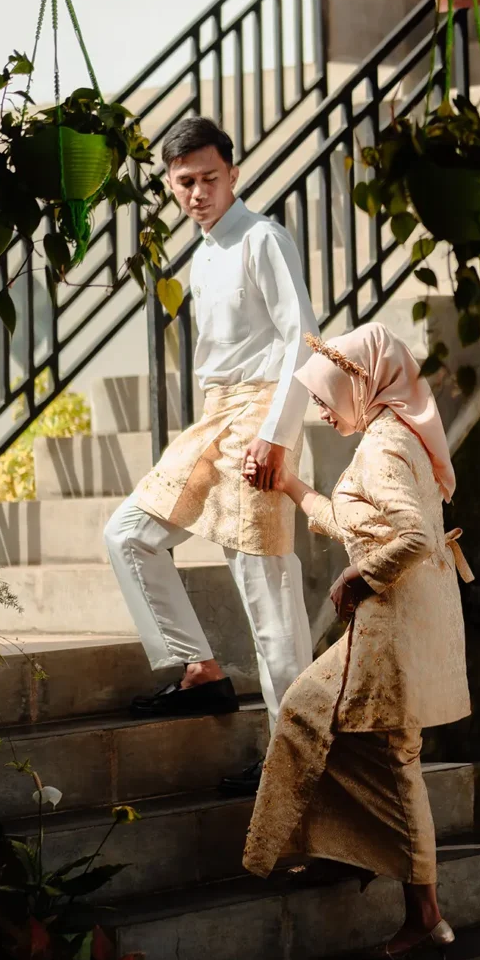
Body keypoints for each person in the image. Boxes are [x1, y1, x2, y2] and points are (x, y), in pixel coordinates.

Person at [242, 322, 474, 959]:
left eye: (326, 397)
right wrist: (292, 485)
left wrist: (357, 575)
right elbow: (359, 522)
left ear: (362, 384)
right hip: (400, 620)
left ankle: (425, 912)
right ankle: (351, 852)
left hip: (389, 626)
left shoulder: (383, 447)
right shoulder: (396, 432)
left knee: (384, 750)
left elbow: (414, 537)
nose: (321, 410)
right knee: (319, 719)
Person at [103, 117, 316, 794]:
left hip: (260, 421)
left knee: (267, 593)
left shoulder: (262, 238)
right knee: (128, 534)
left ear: (233, 174)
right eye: (184, 182)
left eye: (209, 178)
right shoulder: (202, 252)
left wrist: (277, 435)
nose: (197, 193)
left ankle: (294, 760)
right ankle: (200, 669)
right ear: (171, 184)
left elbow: (301, 338)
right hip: (214, 420)